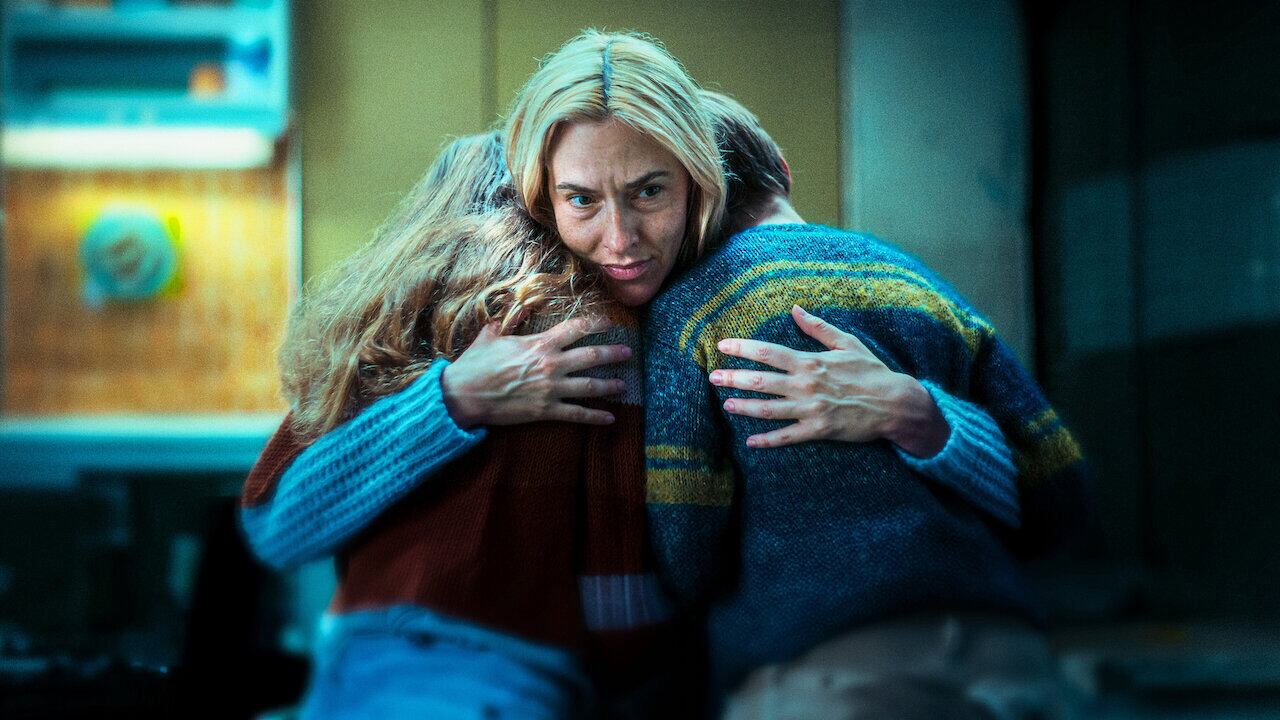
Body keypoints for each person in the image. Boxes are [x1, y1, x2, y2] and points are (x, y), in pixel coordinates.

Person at [240, 30, 1022, 718]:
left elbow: (1035, 487)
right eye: (581, 200)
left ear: (698, 182)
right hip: (434, 673)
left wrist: (916, 414)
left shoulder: (714, 309)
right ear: (539, 192)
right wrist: (452, 399)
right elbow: (280, 521)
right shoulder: (477, 308)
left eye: (649, 192)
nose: (620, 238)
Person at [643, 91, 1090, 718]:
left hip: (828, 674)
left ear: (689, 202)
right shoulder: (920, 282)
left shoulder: (689, 313)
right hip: (1013, 658)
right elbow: (1061, 493)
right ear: (782, 168)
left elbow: (685, 548)